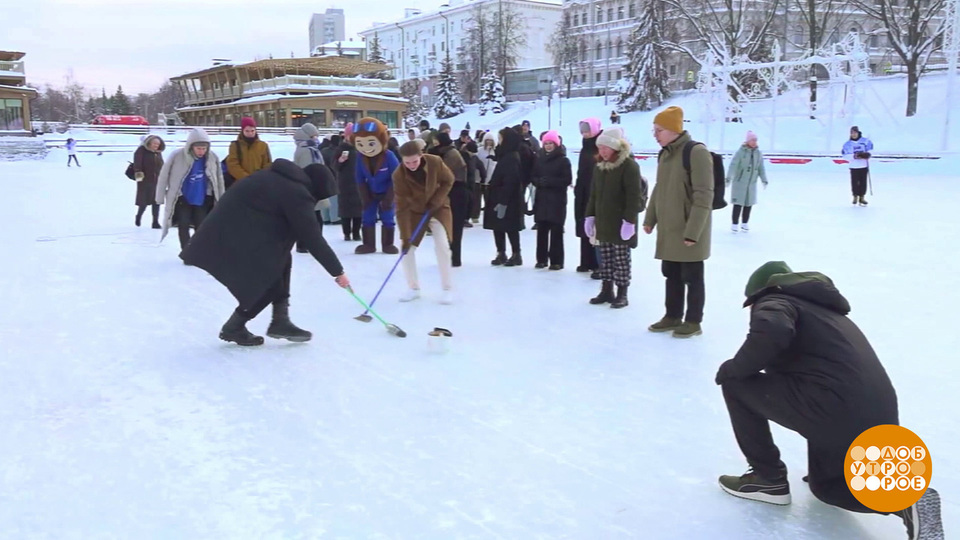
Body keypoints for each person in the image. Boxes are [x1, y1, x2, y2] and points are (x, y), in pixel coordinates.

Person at [715, 261, 943, 540]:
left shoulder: (775, 299)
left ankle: (767, 479)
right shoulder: (827, 312)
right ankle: (909, 501)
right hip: (874, 411)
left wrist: (735, 368)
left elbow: (773, 329)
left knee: (735, 384)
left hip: (832, 405)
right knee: (829, 488)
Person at [181, 159, 350, 346]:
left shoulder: (276, 176)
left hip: (229, 229)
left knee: (282, 260)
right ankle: (234, 327)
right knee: (267, 280)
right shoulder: (296, 193)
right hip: (236, 235)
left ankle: (280, 320)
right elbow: (313, 238)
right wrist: (337, 272)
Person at [643, 106, 712, 338]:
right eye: (654, 130)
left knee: (692, 276)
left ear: (673, 130)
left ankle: (693, 321)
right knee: (670, 273)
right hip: (669, 227)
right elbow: (659, 188)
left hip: (689, 229)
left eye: (659, 130)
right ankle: (672, 315)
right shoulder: (665, 154)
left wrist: (693, 232)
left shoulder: (696, 152)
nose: (655, 134)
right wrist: (650, 218)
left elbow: (704, 195)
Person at [584, 127, 641, 308]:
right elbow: (594, 195)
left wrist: (629, 221)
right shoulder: (599, 168)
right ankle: (606, 290)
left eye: (605, 148)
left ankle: (622, 292)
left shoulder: (629, 166)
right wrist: (590, 216)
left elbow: (634, 196)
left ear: (615, 148)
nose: (602, 152)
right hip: (603, 221)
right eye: (599, 148)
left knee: (621, 260)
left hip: (621, 222)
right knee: (606, 257)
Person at [393, 141, 455, 304]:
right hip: (415, 211)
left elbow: (449, 180)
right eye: (407, 162)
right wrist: (405, 237)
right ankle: (413, 288)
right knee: (406, 249)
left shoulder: (435, 162)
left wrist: (437, 200)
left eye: (414, 161)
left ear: (421, 155)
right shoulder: (398, 175)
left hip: (437, 208)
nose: (411, 165)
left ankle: (447, 288)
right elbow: (401, 208)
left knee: (442, 245)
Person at [156, 128, 225, 251]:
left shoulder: (212, 157)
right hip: (182, 197)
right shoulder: (177, 156)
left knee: (201, 226)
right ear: (191, 146)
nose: (201, 151)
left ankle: (197, 252)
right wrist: (159, 196)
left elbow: (219, 179)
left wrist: (221, 197)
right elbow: (164, 175)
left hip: (203, 198)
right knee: (183, 225)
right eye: (198, 148)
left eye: (204, 148)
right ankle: (186, 251)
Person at [353, 117, 400, 255]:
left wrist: (390, 197)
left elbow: (396, 177)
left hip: (387, 192)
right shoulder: (360, 158)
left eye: (371, 143)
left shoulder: (389, 156)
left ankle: (388, 244)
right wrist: (364, 196)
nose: (366, 148)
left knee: (387, 217)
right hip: (370, 192)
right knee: (367, 216)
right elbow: (359, 178)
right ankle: (368, 244)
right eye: (360, 144)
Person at [484, 127, 525, 266]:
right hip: (497, 196)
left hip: (508, 199)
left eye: (501, 139)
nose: (499, 142)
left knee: (510, 227)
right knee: (498, 226)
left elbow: (511, 180)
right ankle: (501, 252)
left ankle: (516, 253)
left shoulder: (512, 157)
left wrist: (503, 201)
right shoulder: (505, 155)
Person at [531, 130, 572, 270]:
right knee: (541, 231)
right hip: (542, 200)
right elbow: (534, 176)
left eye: (551, 143)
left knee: (556, 232)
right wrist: (539, 181)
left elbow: (567, 179)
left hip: (557, 201)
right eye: (546, 143)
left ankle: (556, 261)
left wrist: (550, 182)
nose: (548, 146)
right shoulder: (539, 159)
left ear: (556, 144)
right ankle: (541, 259)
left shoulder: (563, 160)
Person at [430, 132, 469, 267]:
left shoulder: (451, 154)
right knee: (448, 226)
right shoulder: (447, 152)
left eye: (436, 143)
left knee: (455, 226)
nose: (435, 145)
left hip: (457, 192)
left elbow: (442, 173)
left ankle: (454, 257)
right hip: (452, 192)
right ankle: (448, 255)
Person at [293, 123, 329, 253]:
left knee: (312, 217)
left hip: (312, 187)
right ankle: (310, 244)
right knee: (311, 218)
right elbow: (310, 169)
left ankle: (309, 243)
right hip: (310, 188)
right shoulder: (306, 150)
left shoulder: (310, 148)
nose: (316, 138)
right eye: (314, 136)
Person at [575, 118, 603, 277]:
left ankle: (599, 263)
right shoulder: (585, 148)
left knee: (596, 227)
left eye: (587, 131)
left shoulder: (600, 146)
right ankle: (586, 260)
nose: (585, 134)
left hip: (597, 191)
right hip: (584, 191)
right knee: (584, 224)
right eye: (583, 131)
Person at [727, 130, 769, 233]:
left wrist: (764, 179)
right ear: (748, 141)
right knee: (738, 203)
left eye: (756, 140)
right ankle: (734, 224)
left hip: (751, 183)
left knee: (748, 203)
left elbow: (761, 168)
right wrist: (728, 177)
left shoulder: (758, 153)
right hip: (740, 182)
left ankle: (745, 223)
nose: (755, 142)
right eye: (753, 140)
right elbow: (733, 165)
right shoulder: (741, 152)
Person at [335, 126, 363, 242]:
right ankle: (346, 233)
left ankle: (356, 233)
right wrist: (340, 161)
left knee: (358, 209)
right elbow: (334, 166)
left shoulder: (361, 148)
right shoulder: (340, 148)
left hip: (358, 182)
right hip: (344, 183)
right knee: (345, 210)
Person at [225, 117, 272, 184]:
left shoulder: (263, 145)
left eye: (252, 131)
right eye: (247, 131)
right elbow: (232, 165)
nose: (250, 133)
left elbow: (267, 164)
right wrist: (246, 178)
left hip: (259, 182)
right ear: (242, 131)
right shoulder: (235, 146)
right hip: (240, 183)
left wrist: (260, 178)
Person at [132, 135, 165, 229]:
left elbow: (162, 165)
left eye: (158, 144)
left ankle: (155, 222)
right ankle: (139, 216)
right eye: (154, 143)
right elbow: (137, 164)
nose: (156, 146)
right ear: (149, 143)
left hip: (157, 181)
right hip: (145, 180)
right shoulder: (141, 151)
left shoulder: (158, 153)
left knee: (156, 202)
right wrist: (139, 176)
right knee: (144, 202)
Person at [842, 125, 873, 206]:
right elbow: (845, 155)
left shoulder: (865, 141)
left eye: (855, 133)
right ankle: (855, 196)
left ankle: (862, 197)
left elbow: (871, 150)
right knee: (855, 182)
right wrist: (854, 156)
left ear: (858, 133)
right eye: (852, 133)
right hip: (854, 166)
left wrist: (867, 155)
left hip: (863, 165)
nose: (854, 134)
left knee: (863, 182)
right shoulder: (847, 144)